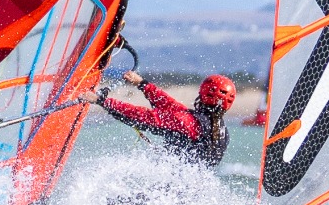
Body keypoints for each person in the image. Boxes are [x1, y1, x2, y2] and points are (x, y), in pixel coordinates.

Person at [79, 71, 235, 167]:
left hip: (169, 192)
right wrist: (142, 84)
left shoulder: (189, 123)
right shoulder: (221, 130)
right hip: (187, 194)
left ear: (202, 95)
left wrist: (102, 101)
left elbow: (143, 117)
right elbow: (170, 106)